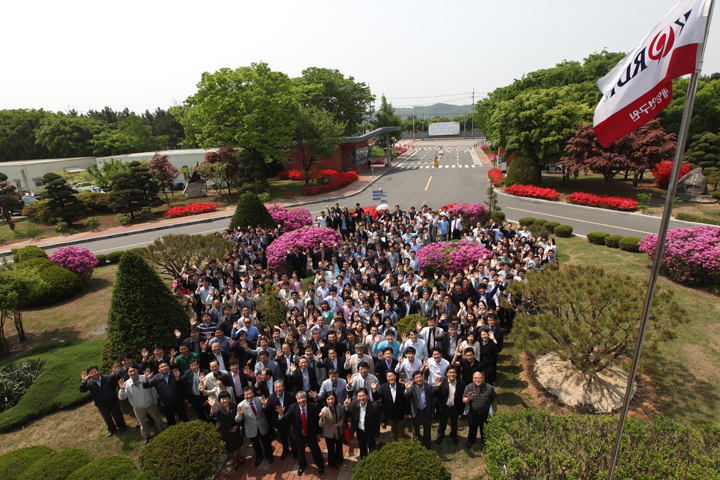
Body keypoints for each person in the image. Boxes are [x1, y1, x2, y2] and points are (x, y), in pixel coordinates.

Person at [118, 365, 166, 444]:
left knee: (157, 418)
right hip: (138, 407)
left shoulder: (145, 377)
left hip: (150, 404)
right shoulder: (126, 384)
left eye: (134, 370)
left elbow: (153, 390)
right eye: (130, 371)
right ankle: (146, 436)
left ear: (137, 370)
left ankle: (163, 429)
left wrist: (155, 401)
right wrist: (122, 389)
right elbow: (122, 397)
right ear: (128, 373)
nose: (133, 373)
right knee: (142, 423)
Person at [282, 391, 325, 476]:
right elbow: (286, 419)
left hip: (311, 434)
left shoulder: (313, 407)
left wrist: (318, 433)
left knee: (315, 450)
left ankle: (320, 465)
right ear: (297, 400)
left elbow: (317, 421)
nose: (301, 400)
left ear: (306, 398)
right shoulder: (292, 408)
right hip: (299, 435)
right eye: (299, 398)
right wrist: (281, 414)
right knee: (300, 452)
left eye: (303, 398)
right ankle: (302, 465)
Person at [79, 364, 127, 437]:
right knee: (106, 417)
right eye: (92, 373)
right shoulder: (89, 383)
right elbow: (82, 390)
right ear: (89, 375)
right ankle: (111, 428)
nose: (94, 374)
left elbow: (114, 383)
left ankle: (121, 425)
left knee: (117, 414)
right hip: (101, 403)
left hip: (112, 401)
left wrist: (114, 374)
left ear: (98, 371)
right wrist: (83, 381)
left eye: (95, 372)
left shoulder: (107, 378)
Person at [237, 386, 274, 467]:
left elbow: (267, 411)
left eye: (250, 394)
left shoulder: (260, 399)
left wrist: (264, 405)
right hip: (251, 428)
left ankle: (269, 455)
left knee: (266, 442)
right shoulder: (241, 405)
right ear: (244, 396)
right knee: (256, 444)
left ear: (253, 394)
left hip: (262, 425)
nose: (249, 396)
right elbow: (237, 419)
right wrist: (240, 415)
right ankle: (259, 456)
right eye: (247, 394)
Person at [209, 392, 245, 470]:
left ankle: (239, 457)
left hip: (235, 430)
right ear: (220, 400)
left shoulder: (233, 405)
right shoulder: (218, 408)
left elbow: (239, 416)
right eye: (223, 399)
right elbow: (212, 416)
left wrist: (237, 426)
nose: (225, 400)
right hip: (226, 432)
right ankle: (234, 460)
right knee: (230, 448)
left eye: (226, 398)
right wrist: (212, 406)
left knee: (238, 445)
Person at [463, 371, 498, 450]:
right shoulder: (469, 387)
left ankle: (485, 443)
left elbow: (494, 400)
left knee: (485, 429)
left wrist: (494, 413)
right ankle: (471, 440)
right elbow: (464, 400)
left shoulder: (489, 388)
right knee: (472, 428)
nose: (477, 380)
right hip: (473, 412)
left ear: (483, 379)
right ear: (472, 379)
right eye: (475, 378)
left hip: (485, 413)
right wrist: (468, 399)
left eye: (479, 378)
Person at [343, 387, 381, 459]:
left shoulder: (374, 406)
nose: (361, 398)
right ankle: (363, 462)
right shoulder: (354, 404)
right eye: (359, 396)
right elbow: (347, 415)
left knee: (372, 448)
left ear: (367, 396)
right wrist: (346, 407)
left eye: (363, 395)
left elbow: (377, 422)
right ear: (357, 397)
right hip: (360, 431)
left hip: (370, 431)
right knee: (362, 448)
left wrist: (376, 434)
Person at [267, 380, 298, 460]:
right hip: (279, 423)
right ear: (274, 389)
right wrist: (264, 406)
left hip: (290, 422)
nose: (279, 389)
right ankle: (285, 451)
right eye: (277, 387)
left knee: (292, 438)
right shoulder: (271, 398)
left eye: (280, 387)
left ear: (284, 387)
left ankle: (295, 452)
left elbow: (295, 408)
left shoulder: (291, 395)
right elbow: (268, 411)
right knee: (283, 438)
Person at [434, 366, 465, 446]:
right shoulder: (441, 381)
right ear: (447, 374)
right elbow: (435, 394)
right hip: (444, 407)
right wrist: (436, 387)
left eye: (454, 372)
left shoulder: (461, 384)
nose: (452, 374)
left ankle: (454, 434)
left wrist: (461, 410)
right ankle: (441, 434)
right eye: (450, 372)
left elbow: (461, 398)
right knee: (442, 423)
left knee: (454, 423)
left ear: (457, 374)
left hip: (455, 407)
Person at [373, 370, 407, 441]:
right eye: (389, 376)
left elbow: (406, 401)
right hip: (389, 414)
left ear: (396, 376)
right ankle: (394, 440)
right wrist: (374, 390)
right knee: (393, 428)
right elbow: (377, 397)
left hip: (400, 413)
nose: (391, 378)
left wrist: (406, 413)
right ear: (386, 378)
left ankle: (401, 443)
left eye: (392, 376)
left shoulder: (402, 386)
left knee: (401, 430)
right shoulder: (383, 387)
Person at [403, 370, 434, 449]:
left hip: (426, 411)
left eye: (420, 377)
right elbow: (406, 396)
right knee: (415, 427)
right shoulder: (412, 386)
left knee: (427, 428)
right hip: (416, 411)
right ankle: (416, 438)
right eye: (417, 378)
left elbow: (431, 400)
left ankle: (427, 442)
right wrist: (406, 389)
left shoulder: (428, 386)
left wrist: (432, 412)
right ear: (414, 379)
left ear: (423, 377)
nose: (419, 379)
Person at [319, 392, 345, 470]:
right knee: (331, 449)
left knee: (339, 447)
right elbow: (320, 424)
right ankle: (333, 463)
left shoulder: (339, 406)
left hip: (338, 431)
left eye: (332, 399)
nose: (330, 401)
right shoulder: (324, 410)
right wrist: (321, 418)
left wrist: (338, 425)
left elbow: (342, 417)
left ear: (335, 399)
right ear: (326, 400)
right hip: (329, 433)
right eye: (328, 399)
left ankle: (340, 460)